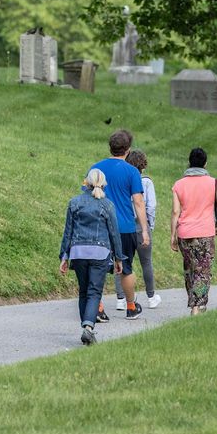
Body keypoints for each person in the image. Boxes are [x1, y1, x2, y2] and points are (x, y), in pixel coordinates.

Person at [88, 129, 148, 320]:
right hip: (125, 227)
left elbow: (87, 195)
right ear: (128, 150)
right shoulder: (132, 171)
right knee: (126, 268)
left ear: (110, 147)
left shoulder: (95, 168)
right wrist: (144, 230)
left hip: (99, 226)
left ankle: (97, 308)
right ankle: (131, 307)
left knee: (98, 267)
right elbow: (138, 202)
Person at [59, 168, 123, 346]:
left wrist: (64, 256)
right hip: (100, 253)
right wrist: (118, 258)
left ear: (86, 182)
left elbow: (68, 232)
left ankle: (85, 327)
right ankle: (88, 328)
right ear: (103, 184)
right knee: (94, 291)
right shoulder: (107, 205)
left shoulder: (74, 202)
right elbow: (114, 233)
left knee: (83, 290)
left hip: (78, 252)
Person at [170, 148, 217, 315]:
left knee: (190, 269)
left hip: (185, 233)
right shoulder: (214, 183)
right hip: (205, 234)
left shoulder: (179, 184)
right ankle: (197, 306)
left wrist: (173, 235)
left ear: (189, 162)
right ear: (205, 164)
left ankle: (194, 302)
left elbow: (175, 212)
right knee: (203, 271)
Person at [113, 148, 159, 311]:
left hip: (125, 226)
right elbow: (151, 206)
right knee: (146, 262)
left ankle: (120, 298)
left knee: (121, 262)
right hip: (141, 226)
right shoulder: (146, 182)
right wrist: (149, 225)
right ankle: (151, 297)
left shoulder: (123, 180)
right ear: (143, 165)